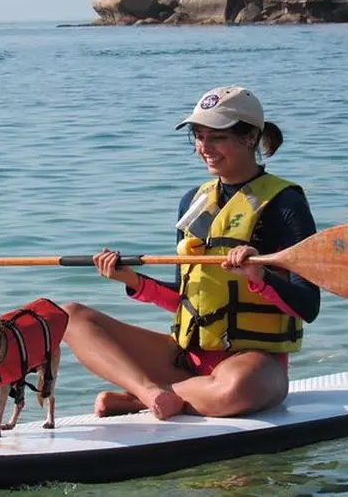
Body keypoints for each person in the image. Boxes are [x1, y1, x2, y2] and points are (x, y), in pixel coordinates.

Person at [61, 85, 320, 420]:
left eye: (217, 137)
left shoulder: (286, 204)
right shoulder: (192, 202)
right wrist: (132, 280)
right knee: (70, 317)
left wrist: (259, 276)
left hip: (251, 364)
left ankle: (140, 401)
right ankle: (150, 392)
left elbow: (307, 305)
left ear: (251, 137)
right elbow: (186, 299)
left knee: (238, 388)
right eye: (199, 136)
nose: (204, 148)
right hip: (183, 358)